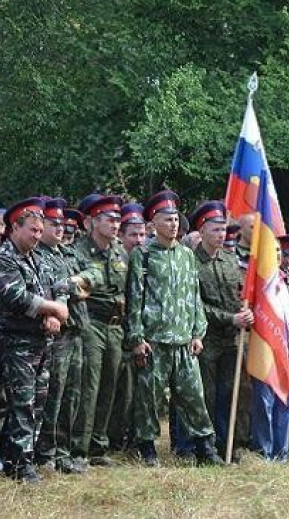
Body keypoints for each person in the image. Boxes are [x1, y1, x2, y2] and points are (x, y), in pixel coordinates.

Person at [126, 191, 223, 467]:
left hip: (184, 341)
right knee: (149, 399)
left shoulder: (186, 256)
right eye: (167, 220)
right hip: (154, 341)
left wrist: (197, 332)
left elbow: (195, 297)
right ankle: (147, 449)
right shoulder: (142, 256)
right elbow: (135, 298)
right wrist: (136, 338)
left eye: (176, 220)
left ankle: (205, 447)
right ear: (153, 223)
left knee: (194, 397)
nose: (173, 225)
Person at [0, 198, 71, 482]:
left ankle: (20, 455)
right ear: (15, 227)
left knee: (38, 401)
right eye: (33, 231)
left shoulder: (38, 258)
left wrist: (56, 312)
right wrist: (50, 309)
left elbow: (60, 287)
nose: (38, 236)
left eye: (41, 231)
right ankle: (18, 462)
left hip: (43, 341)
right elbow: (15, 296)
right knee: (22, 403)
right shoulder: (5, 257)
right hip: (18, 343)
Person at [34, 199, 96, 474]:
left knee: (73, 395)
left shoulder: (68, 254)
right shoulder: (38, 255)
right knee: (54, 395)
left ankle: (63, 451)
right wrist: (74, 288)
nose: (59, 228)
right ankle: (45, 453)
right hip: (56, 336)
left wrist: (73, 285)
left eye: (61, 224)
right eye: (53, 223)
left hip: (77, 332)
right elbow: (47, 289)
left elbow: (95, 276)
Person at [191, 201, 254, 460]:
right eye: (215, 230)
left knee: (235, 393)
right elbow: (197, 305)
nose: (221, 235)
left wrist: (246, 312)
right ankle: (207, 446)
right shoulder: (192, 262)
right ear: (202, 231)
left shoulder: (230, 260)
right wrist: (231, 318)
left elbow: (241, 294)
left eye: (223, 230)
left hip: (233, 339)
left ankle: (232, 444)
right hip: (208, 339)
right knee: (208, 394)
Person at [71, 194, 126, 468]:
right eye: (109, 219)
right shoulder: (78, 251)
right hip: (90, 322)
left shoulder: (119, 251)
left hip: (115, 326)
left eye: (118, 219)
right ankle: (79, 449)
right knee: (89, 386)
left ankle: (98, 446)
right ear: (92, 221)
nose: (115, 224)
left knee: (109, 385)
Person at [251, 238, 289, 462]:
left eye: (284, 253)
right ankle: (264, 454)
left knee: (286, 404)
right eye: (275, 250)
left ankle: (281, 454)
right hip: (266, 352)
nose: (281, 256)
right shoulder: (257, 283)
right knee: (264, 403)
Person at [107, 202, 146, 454]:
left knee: (136, 390)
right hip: (116, 331)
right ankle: (111, 439)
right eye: (133, 235)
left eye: (142, 234)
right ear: (121, 235)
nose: (139, 240)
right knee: (114, 389)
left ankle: (131, 439)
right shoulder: (116, 258)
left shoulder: (146, 258)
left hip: (139, 334)